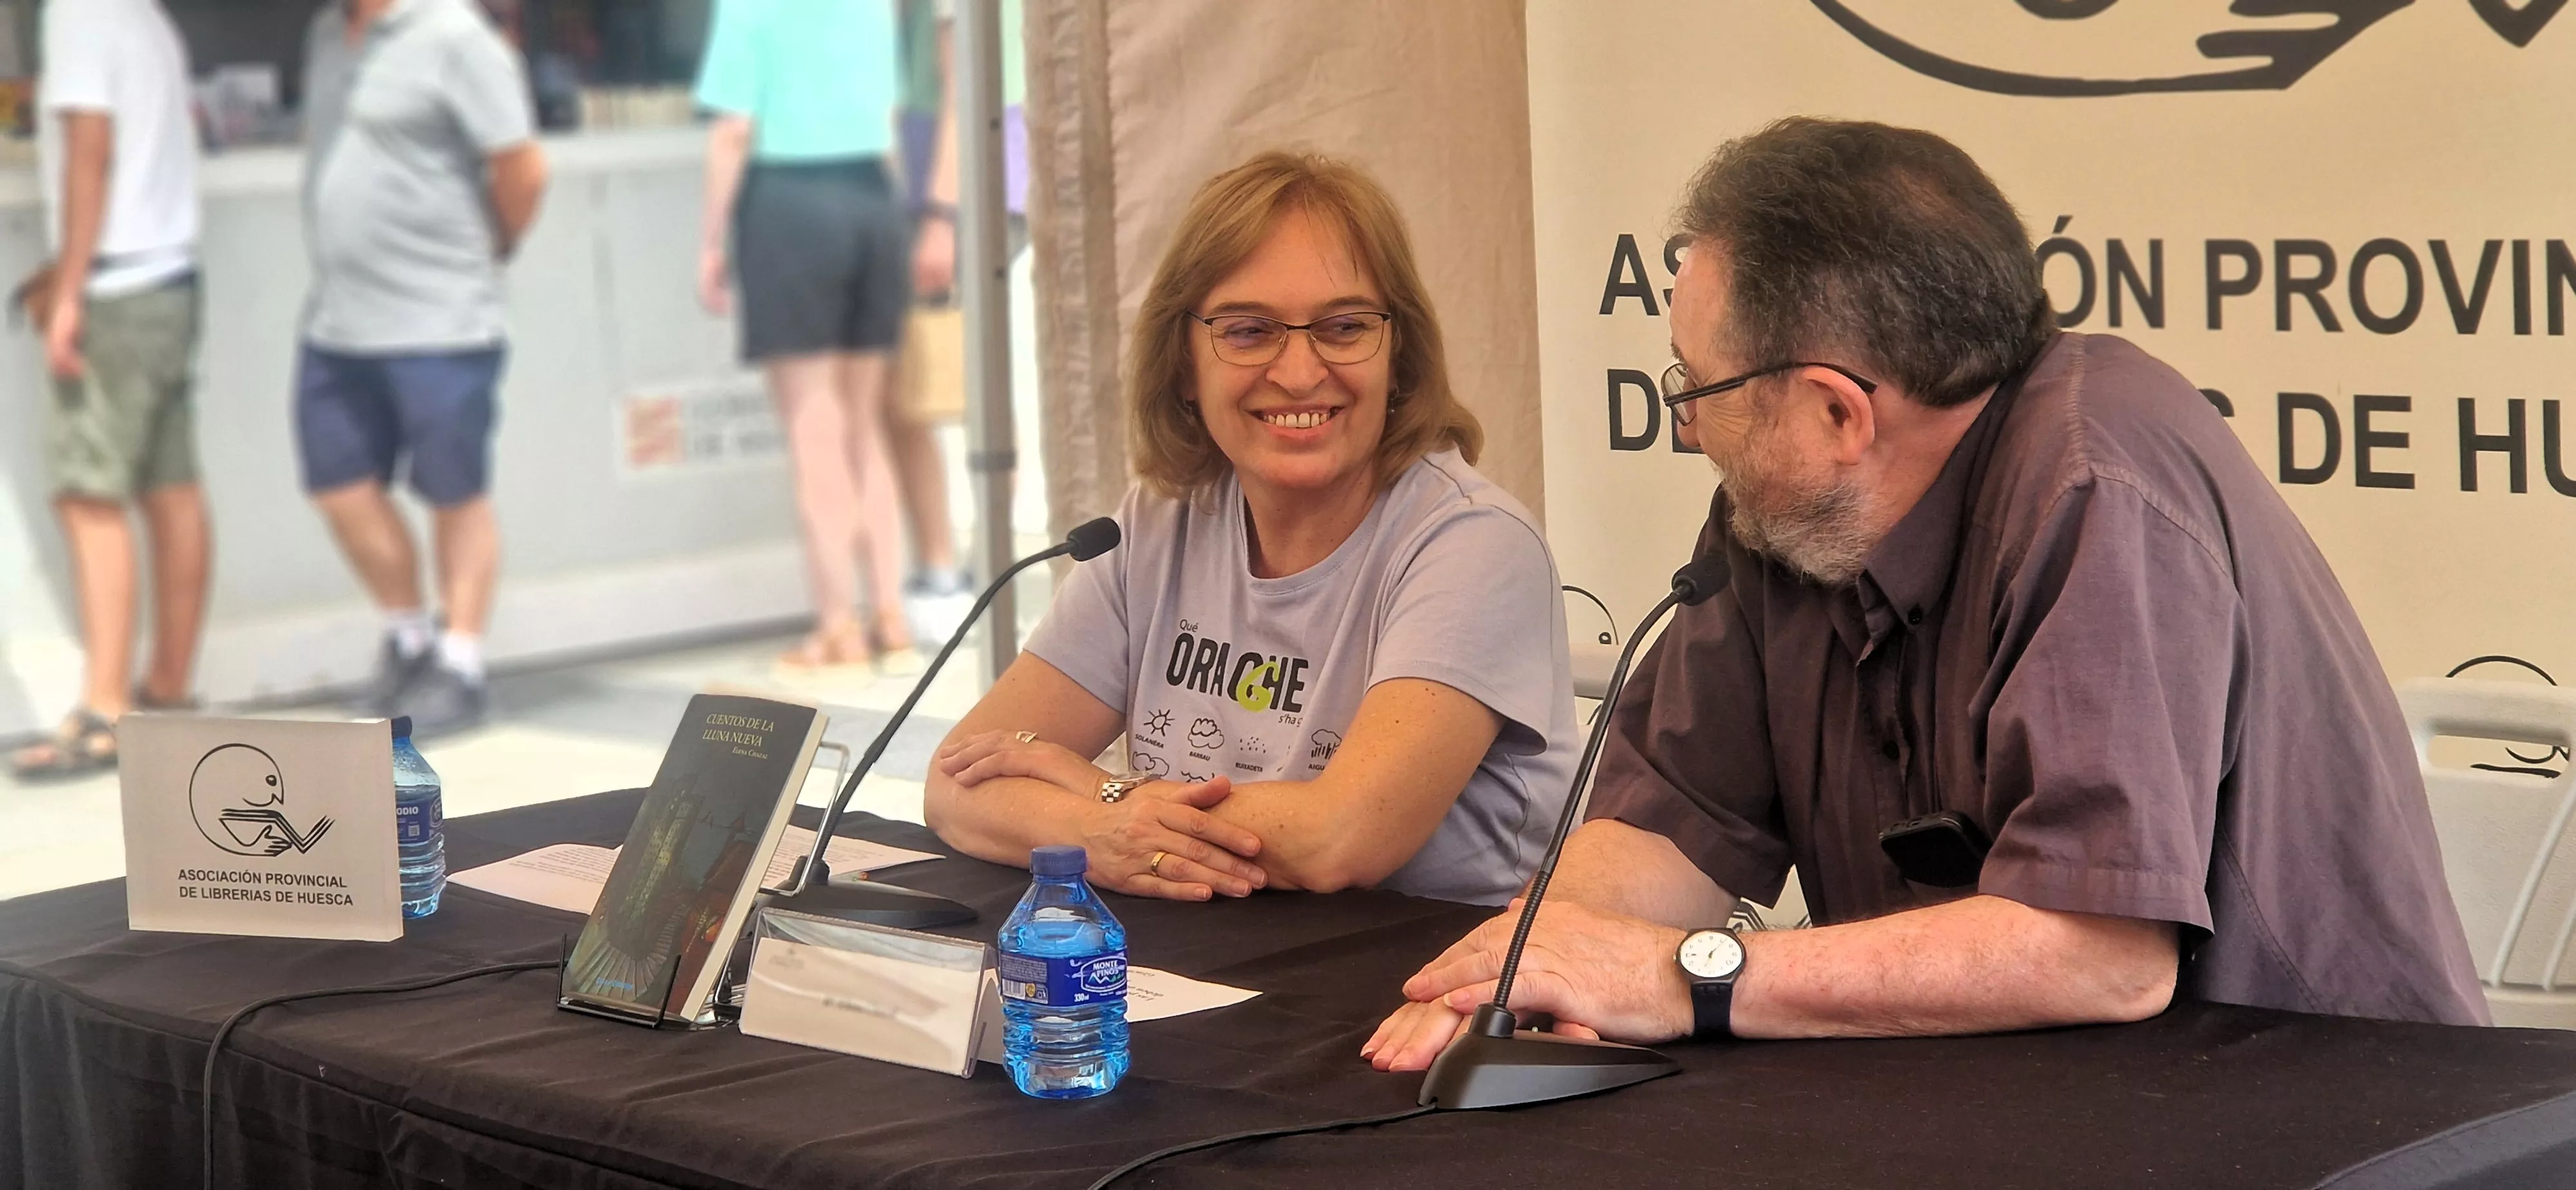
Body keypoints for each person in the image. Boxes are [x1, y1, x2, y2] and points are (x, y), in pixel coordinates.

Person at [1367, 118, 2487, 1070]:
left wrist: (1688, 977)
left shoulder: (2097, 487)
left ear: (1838, 411)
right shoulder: (1790, 511)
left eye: (1694, 384)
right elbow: (1679, 830)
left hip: (2313, 1110)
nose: (1687, 424)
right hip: (2016, 1100)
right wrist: (1521, 964)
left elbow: (2099, 951)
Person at [922, 151, 1578, 907]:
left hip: (1418, 993)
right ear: (1183, 364)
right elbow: (956, 783)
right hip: (1199, 967)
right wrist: (1102, 827)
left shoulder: (1475, 545)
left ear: (1400, 356)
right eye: (1247, 331)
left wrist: (1101, 794)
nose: (1299, 373)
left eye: (1343, 327)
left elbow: (1342, 839)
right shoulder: (1158, 521)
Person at [298, 0, 548, 735]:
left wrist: (490, 249)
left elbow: (523, 169)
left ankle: (461, 663)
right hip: (338, 319)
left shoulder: (457, 37)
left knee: (453, 492)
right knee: (339, 487)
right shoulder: (325, 34)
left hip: (441, 319)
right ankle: (409, 641)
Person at [8, 0, 208, 779]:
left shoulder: (79, 14)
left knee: (89, 497)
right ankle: (168, 692)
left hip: (117, 290)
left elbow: (91, 148)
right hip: (167, 281)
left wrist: (69, 289)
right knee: (171, 487)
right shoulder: (146, 18)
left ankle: (103, 712)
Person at [696, 0, 925, 672]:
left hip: (789, 205)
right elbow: (886, 120)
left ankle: (836, 627)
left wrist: (710, 242)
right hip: (872, 202)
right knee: (865, 425)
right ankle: (891, 615)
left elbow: (732, 130)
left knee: (811, 426)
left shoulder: (748, 9)